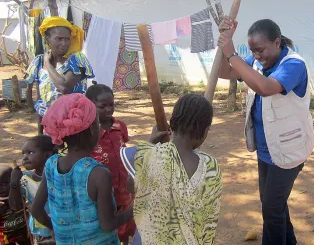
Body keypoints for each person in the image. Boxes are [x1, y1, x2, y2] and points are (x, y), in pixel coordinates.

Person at [217, 18, 314, 244]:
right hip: (266, 150)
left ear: (277, 42)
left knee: (271, 208)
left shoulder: (293, 65)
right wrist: (224, 44)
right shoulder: (256, 62)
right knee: (274, 205)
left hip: (289, 151)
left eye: (260, 50)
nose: (257, 56)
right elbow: (225, 72)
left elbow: (265, 87)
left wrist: (233, 54)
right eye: (252, 52)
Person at [119, 94, 222, 245]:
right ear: (205, 131)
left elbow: (131, 187)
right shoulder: (211, 166)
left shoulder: (150, 155)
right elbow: (209, 216)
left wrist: (151, 142)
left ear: (172, 123)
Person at [31, 93, 133, 244]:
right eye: (97, 123)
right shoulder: (99, 174)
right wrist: (136, 208)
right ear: (92, 129)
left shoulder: (51, 165)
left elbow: (36, 210)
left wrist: (57, 230)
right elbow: (108, 225)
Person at [24, 16, 94, 135]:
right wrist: (41, 135)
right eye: (59, 39)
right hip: (49, 128)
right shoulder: (38, 62)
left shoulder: (77, 60)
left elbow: (64, 87)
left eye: (67, 39)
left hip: (75, 128)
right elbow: (40, 102)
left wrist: (48, 63)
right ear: (47, 39)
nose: (64, 43)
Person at [85, 83, 136, 244]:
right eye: (103, 106)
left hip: (124, 187)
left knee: (127, 225)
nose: (108, 109)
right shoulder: (89, 132)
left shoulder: (120, 126)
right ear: (90, 106)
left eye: (111, 104)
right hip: (105, 190)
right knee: (109, 225)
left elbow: (124, 147)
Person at [9, 135, 57, 245]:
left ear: (47, 155)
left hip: (61, 230)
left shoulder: (58, 177)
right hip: (40, 234)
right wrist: (14, 183)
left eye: (30, 152)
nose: (25, 157)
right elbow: (15, 206)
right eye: (23, 154)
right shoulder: (25, 179)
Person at [0, 165, 30, 244]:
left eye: (4, 183)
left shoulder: (21, 193)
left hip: (26, 233)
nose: (0, 188)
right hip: (7, 238)